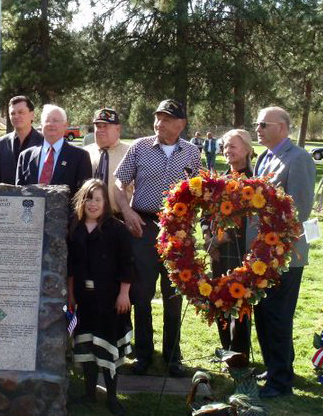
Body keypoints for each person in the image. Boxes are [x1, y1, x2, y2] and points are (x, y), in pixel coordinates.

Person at [113, 99, 201, 377]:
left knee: (173, 293)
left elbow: (199, 191)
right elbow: (119, 182)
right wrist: (126, 212)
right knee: (141, 293)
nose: (159, 123)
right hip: (143, 226)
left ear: (181, 124)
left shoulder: (192, 153)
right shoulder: (139, 147)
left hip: (178, 230)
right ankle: (144, 356)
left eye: (166, 119)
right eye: (157, 118)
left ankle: (173, 358)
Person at [249, 106, 315, 398]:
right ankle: (276, 366)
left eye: (264, 124)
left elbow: (300, 208)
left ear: (283, 128)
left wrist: (274, 244)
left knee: (277, 314)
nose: (258, 129)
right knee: (263, 312)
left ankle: (280, 383)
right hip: (262, 251)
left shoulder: (299, 158)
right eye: (257, 124)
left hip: (285, 253)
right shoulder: (263, 157)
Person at [68, 179, 132, 416]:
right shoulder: (75, 228)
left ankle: (112, 396)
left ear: (106, 203)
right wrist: (72, 295)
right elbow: (72, 267)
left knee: (107, 347)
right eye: (88, 199)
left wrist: (124, 293)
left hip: (110, 299)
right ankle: (88, 392)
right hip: (84, 299)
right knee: (86, 345)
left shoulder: (116, 229)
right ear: (81, 201)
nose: (92, 204)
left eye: (98, 199)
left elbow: (127, 263)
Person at [202, 129, 254, 357]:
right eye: (225, 146)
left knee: (241, 301)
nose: (227, 150)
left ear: (247, 150)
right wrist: (207, 238)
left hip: (243, 251)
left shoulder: (256, 181)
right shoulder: (219, 181)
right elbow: (205, 214)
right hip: (218, 251)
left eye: (233, 146)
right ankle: (225, 349)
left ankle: (239, 353)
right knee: (220, 299)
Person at [16, 104, 92, 200]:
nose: (51, 124)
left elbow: (83, 197)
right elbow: (18, 194)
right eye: (47, 120)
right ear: (41, 125)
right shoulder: (26, 156)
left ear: (65, 125)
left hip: (65, 214)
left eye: (55, 121)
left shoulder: (80, 157)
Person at [84, 108, 131, 215]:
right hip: (90, 218)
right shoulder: (84, 153)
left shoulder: (131, 153)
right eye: (98, 126)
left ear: (118, 129)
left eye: (105, 126)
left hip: (120, 218)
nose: (101, 130)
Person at [0, 96, 43, 185]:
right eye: (13, 113)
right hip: (6, 197)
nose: (16, 116)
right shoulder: (0, 144)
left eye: (21, 112)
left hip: (34, 197)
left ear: (32, 115)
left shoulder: (43, 142)